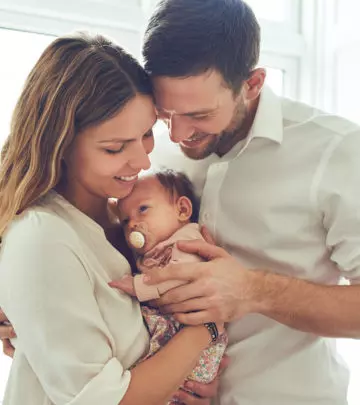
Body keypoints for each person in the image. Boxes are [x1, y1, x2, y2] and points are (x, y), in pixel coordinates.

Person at [124, 0, 360, 404]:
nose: (178, 134)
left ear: (252, 84)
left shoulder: (338, 152)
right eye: (166, 113)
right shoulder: (153, 156)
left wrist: (255, 290)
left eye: (198, 114)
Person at [0, 32, 223, 405]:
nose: (142, 161)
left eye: (147, 134)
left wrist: (191, 380)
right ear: (60, 144)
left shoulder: (126, 215)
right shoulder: (44, 238)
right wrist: (207, 328)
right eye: (115, 148)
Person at [110, 170, 228, 404]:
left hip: (194, 337)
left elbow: (177, 277)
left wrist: (137, 286)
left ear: (182, 210)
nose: (132, 223)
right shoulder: (152, 250)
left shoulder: (187, 240)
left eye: (143, 209)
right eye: (125, 220)